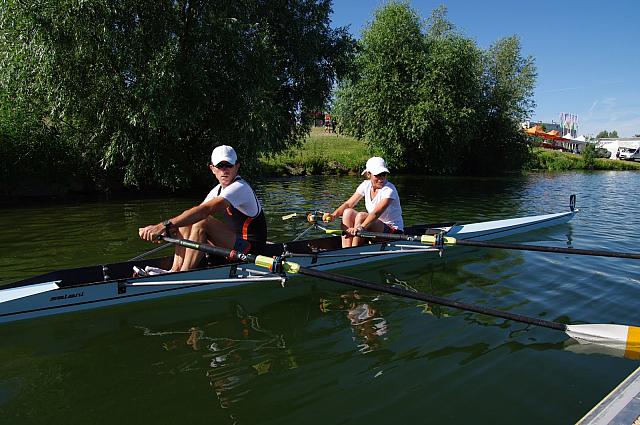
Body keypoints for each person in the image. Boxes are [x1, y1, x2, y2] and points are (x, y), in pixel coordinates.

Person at [138, 145, 267, 273]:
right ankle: (174, 270)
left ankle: (184, 274)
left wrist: (163, 225)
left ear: (237, 167)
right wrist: (169, 229)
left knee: (202, 222)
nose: (224, 170)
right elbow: (194, 214)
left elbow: (205, 211)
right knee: (187, 222)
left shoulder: (240, 187)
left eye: (229, 165)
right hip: (233, 244)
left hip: (251, 251)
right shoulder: (217, 190)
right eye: (220, 166)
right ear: (212, 169)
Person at [323, 156, 403, 247]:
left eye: (383, 174)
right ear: (369, 174)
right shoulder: (365, 185)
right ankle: (347, 248)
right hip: (371, 228)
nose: (381, 179)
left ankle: (354, 249)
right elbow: (349, 204)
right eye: (377, 175)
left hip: (393, 232)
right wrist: (334, 215)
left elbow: (376, 213)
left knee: (361, 216)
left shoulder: (389, 190)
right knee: (347, 212)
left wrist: (360, 228)